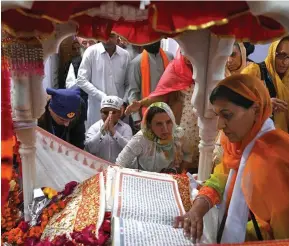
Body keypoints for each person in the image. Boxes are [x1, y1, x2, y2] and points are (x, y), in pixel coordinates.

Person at [174, 74, 289, 243]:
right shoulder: (236, 143)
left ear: (256, 111)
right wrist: (197, 210)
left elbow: (283, 235)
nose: (219, 125)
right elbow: (221, 179)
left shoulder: (274, 160)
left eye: (227, 115)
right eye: (217, 115)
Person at [125, 49, 199, 172]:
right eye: (185, 52)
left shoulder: (208, 67)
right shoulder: (176, 68)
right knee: (179, 160)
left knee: (203, 163)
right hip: (184, 122)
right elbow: (161, 93)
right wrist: (141, 103)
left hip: (205, 123)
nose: (188, 56)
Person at [76, 33, 130, 129]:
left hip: (119, 109)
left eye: (111, 35)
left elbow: (129, 83)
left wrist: (124, 102)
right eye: (105, 35)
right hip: (97, 109)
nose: (107, 39)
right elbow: (81, 79)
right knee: (96, 139)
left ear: (118, 36)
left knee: (119, 139)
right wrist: (103, 97)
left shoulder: (125, 55)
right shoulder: (91, 52)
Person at [116, 102, 185, 173]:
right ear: (149, 125)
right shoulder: (141, 138)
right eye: (159, 124)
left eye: (168, 122)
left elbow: (180, 163)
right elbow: (120, 163)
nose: (165, 129)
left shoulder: (177, 135)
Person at [242, 36, 289, 133]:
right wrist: (263, 104)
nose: (285, 62)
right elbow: (233, 100)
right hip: (258, 138)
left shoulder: (287, 79)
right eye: (281, 56)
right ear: (272, 53)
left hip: (283, 140)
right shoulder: (254, 72)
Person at [127, 41, 174, 128]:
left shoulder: (170, 57)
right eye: (149, 40)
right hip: (147, 113)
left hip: (168, 110)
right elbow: (133, 91)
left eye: (156, 39)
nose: (153, 42)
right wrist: (137, 118)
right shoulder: (136, 62)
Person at [85, 96, 132, 163]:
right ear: (100, 112)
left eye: (113, 112)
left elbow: (129, 150)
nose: (109, 116)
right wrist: (102, 131)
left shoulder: (126, 128)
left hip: (119, 168)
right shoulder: (94, 128)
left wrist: (114, 133)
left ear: (120, 113)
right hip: (99, 168)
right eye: (105, 112)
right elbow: (90, 149)